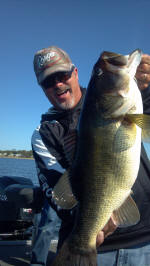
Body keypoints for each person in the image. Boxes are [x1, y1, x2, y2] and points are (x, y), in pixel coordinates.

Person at [31, 45, 150, 266]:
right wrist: (91, 226)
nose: (58, 84)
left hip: (144, 239)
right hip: (96, 245)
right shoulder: (45, 133)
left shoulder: (120, 99)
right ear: (42, 88)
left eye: (62, 75)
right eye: (49, 81)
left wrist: (147, 88)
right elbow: (60, 196)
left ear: (75, 73)